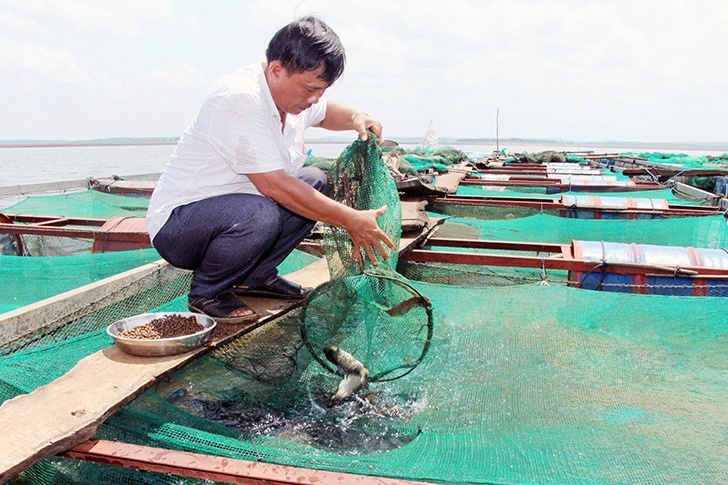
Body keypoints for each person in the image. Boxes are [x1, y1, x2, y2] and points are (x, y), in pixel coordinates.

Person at [146, 16, 394, 325]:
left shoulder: (293, 99)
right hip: (179, 227)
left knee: (314, 181)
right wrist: (351, 220)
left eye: (321, 90)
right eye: (310, 89)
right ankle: (207, 292)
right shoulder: (240, 99)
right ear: (276, 70)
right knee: (262, 212)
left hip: (240, 213)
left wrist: (358, 116)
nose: (314, 98)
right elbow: (275, 186)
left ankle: (257, 277)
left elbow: (327, 112)